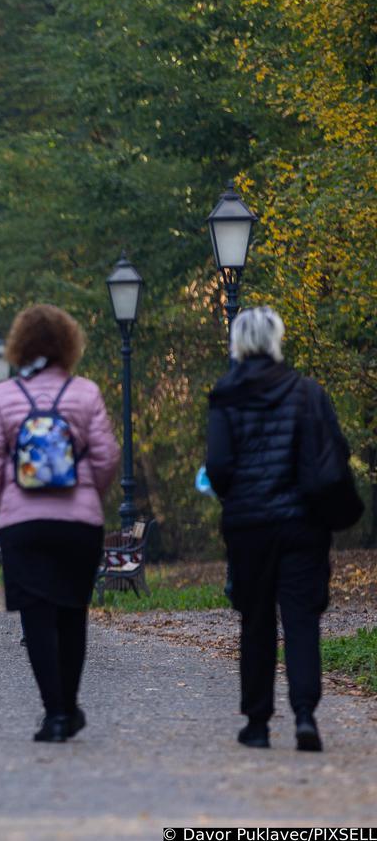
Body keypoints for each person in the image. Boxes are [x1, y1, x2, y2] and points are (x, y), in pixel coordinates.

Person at [0, 304, 119, 743]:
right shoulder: (85, 393)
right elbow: (107, 455)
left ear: (20, 345)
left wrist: (10, 501)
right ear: (69, 344)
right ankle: (70, 706)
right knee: (73, 613)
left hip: (24, 524)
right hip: (78, 523)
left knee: (36, 616)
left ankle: (55, 714)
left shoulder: (6, 395)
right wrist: (90, 493)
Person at [206, 307, 349, 752]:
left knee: (257, 620)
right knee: (302, 618)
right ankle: (305, 714)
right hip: (303, 524)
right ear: (275, 341)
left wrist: (238, 493)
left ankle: (258, 723)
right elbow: (336, 451)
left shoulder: (225, 395)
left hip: (249, 526)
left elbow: (219, 467)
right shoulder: (308, 392)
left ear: (239, 344)